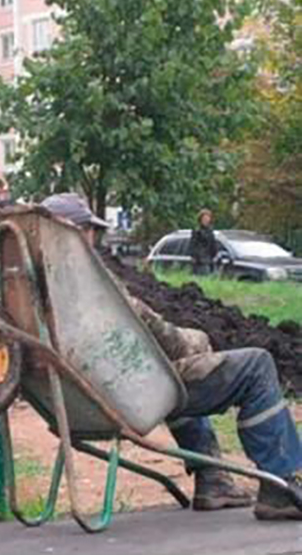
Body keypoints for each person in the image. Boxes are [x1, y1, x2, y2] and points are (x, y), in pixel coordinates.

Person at [41, 192, 302, 521]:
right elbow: (148, 327)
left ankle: (213, 479)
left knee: (177, 374)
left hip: (78, 402)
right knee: (256, 365)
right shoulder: (89, 282)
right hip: (128, 395)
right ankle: (280, 485)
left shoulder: (35, 289)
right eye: (90, 229)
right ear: (74, 231)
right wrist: (196, 339)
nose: (93, 237)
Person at [190, 208, 217, 276]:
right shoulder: (197, 231)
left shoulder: (210, 232)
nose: (206, 220)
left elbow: (213, 245)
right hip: (200, 261)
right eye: (204, 218)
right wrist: (197, 257)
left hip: (209, 260)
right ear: (200, 219)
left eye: (208, 218)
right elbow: (193, 246)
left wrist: (214, 254)